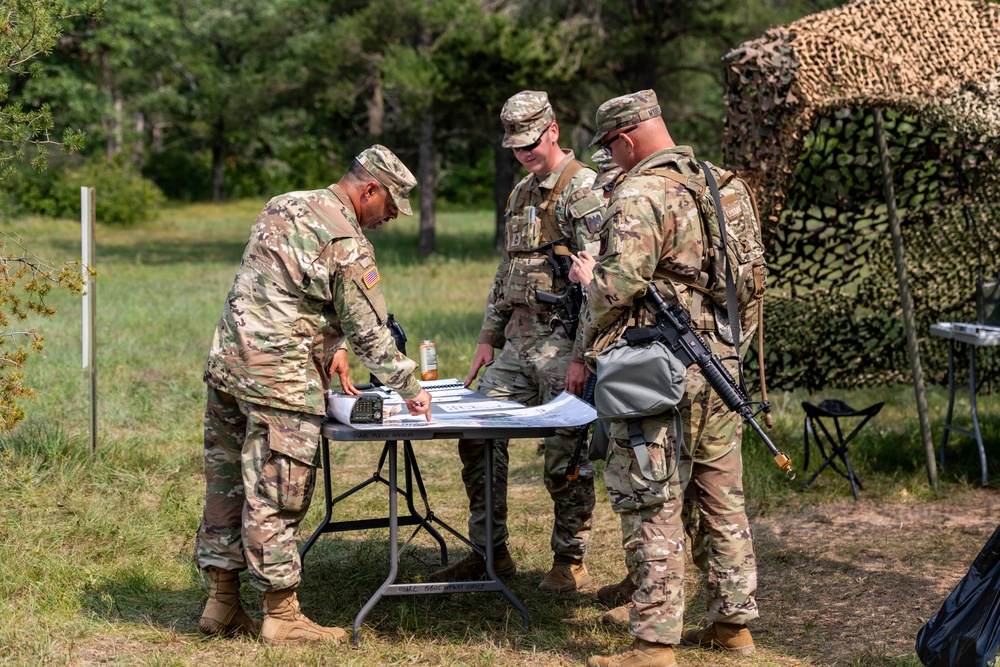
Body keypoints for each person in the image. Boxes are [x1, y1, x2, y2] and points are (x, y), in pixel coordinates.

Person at [194, 145, 432, 644]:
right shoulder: (347, 239)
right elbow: (371, 331)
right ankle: (281, 617)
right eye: (389, 206)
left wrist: (332, 344)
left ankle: (221, 603)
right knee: (276, 495)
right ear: (369, 189)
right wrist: (410, 387)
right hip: (280, 381)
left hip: (230, 367)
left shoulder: (283, 203)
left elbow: (288, 287)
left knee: (226, 485)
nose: (388, 218)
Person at [582, 90, 761, 667]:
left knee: (651, 495)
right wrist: (732, 349)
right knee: (720, 492)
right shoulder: (724, 185)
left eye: (610, 146)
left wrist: (589, 329)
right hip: (721, 364)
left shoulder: (639, 192)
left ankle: (655, 644)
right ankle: (733, 625)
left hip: (659, 369)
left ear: (626, 139)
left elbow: (616, 287)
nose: (613, 156)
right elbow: (753, 282)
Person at [430, 90, 605, 593]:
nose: (524, 152)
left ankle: (569, 559)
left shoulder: (584, 190)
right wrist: (488, 337)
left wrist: (583, 356)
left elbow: (602, 282)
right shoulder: (521, 193)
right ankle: (490, 554)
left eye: (530, 142)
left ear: (553, 129)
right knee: (477, 435)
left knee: (565, 450)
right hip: (517, 343)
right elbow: (507, 269)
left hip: (565, 342)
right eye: (515, 145)